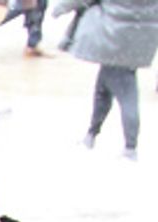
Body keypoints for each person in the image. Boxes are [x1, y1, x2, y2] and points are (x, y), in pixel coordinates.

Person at [55, 0, 158, 158]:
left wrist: (61, 8)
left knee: (126, 92)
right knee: (104, 86)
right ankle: (91, 135)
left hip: (113, 38)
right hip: (142, 37)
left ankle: (130, 148)